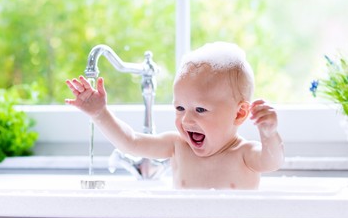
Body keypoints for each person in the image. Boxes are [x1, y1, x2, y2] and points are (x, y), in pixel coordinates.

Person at [65, 42, 284, 189]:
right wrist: (100, 113)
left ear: (239, 113)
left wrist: (269, 134)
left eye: (200, 109)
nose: (187, 120)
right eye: (179, 108)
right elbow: (130, 142)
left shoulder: (245, 154)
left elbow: (272, 161)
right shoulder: (177, 147)